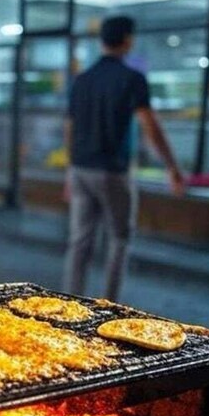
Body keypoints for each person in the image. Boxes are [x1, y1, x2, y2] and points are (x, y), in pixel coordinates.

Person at [63, 15, 183, 302]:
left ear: (101, 41)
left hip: (80, 168)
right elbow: (150, 126)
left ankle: (68, 302)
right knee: (118, 238)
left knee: (80, 240)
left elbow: (70, 127)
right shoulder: (132, 79)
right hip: (112, 170)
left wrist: (70, 170)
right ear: (128, 40)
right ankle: (110, 304)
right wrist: (172, 167)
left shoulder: (82, 80)